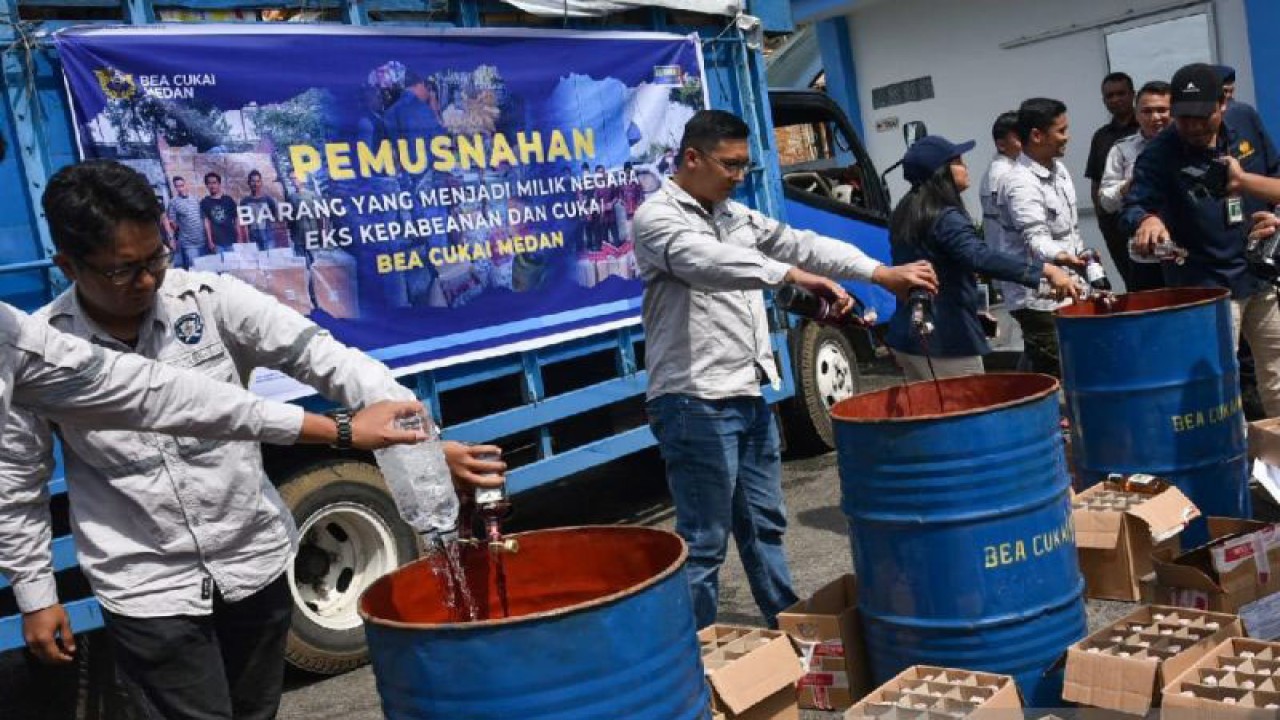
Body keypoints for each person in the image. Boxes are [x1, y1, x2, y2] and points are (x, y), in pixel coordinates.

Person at [0, 160, 506, 720]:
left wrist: (422, 444)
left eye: (155, 259)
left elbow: (329, 360)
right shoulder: (42, 355)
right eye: (124, 271)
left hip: (252, 562)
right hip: (148, 584)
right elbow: (18, 484)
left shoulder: (210, 301)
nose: (147, 282)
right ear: (68, 264)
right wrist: (36, 595)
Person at [633, 110, 937, 630]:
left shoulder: (735, 216)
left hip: (748, 391)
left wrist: (880, 273)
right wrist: (792, 276)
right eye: (730, 165)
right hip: (693, 400)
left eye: (744, 166)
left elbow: (805, 243)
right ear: (691, 158)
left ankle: (785, 623)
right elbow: (706, 263)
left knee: (764, 522)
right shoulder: (658, 219)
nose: (738, 176)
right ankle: (693, 651)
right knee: (706, 542)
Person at [1123, 63, 1280, 416]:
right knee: (1217, 387)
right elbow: (1132, 205)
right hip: (1207, 286)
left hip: (1261, 275)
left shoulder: (1246, 122)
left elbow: (1275, 172)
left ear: (1221, 105)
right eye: (1183, 118)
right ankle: (1232, 464)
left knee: (1277, 374)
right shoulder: (1161, 152)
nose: (1192, 126)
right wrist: (1147, 219)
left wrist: (1277, 217)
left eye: (1201, 116)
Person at [885, 136, 1079, 381]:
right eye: (957, 162)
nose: (965, 167)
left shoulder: (907, 210)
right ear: (940, 172)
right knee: (967, 412)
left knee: (929, 414)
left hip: (909, 335)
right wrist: (1045, 271)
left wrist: (973, 310)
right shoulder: (944, 216)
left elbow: (944, 270)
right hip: (944, 341)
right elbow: (979, 256)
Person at [995, 97, 1088, 378]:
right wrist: (1062, 257)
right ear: (1037, 135)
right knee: (1055, 367)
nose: (1067, 137)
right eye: (1061, 131)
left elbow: (1070, 231)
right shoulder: (1019, 182)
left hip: (1069, 285)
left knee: (1061, 360)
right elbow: (1035, 240)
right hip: (1037, 294)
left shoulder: (1059, 171)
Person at [1098, 80, 1172, 291]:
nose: (1155, 117)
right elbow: (1106, 203)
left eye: (1162, 110)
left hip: (1186, 254)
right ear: (1137, 114)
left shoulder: (1190, 145)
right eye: (1147, 111)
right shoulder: (1122, 150)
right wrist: (1130, 184)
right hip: (1145, 256)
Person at [1084, 72, 1139, 288]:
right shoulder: (1101, 136)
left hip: (1147, 219)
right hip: (1114, 224)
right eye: (1109, 96)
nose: (1115, 99)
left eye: (1121, 94)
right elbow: (1096, 181)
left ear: (1132, 94)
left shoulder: (1146, 129)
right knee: (1131, 281)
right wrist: (1102, 219)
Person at [979, 111, 1021, 246]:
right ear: (1001, 144)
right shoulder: (1007, 175)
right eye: (1020, 138)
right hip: (1015, 257)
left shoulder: (995, 169)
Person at [165, 176, 205, 269]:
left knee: (206, 270)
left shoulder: (196, 199)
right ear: (175, 187)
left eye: (182, 185)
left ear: (186, 185)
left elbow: (202, 218)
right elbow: (172, 221)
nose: (180, 188)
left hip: (203, 241)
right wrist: (175, 236)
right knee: (194, 269)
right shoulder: (173, 203)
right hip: (189, 244)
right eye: (177, 186)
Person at [201, 172, 242, 252]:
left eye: (214, 183)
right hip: (217, 243)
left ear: (219, 184)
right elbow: (206, 223)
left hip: (232, 240)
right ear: (206, 185)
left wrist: (239, 237)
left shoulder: (228, 200)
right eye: (209, 183)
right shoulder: (205, 202)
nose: (212, 186)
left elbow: (236, 219)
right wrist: (210, 241)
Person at [241, 169, 279, 251]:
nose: (255, 184)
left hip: (268, 238)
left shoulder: (268, 200)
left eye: (258, 181)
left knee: (271, 262)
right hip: (253, 239)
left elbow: (275, 217)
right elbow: (244, 223)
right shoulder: (244, 201)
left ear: (261, 183)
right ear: (249, 183)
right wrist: (247, 239)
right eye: (253, 181)